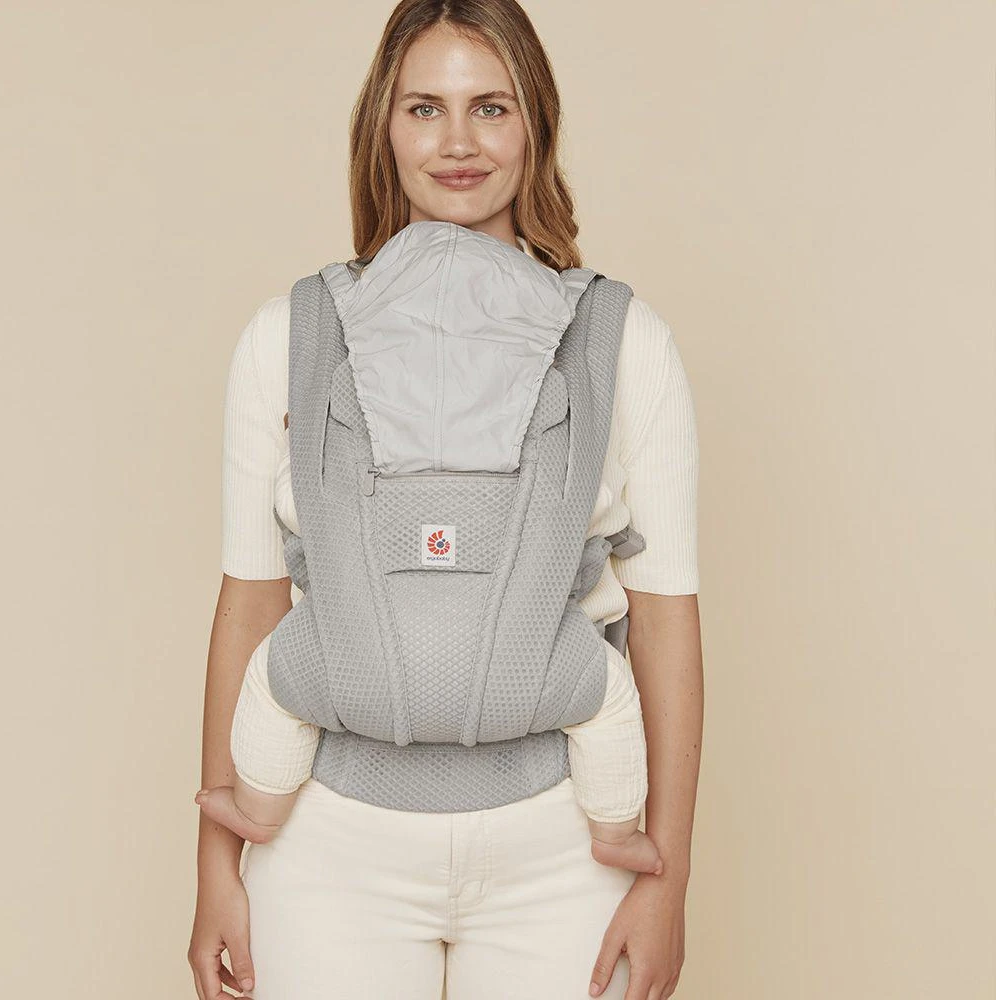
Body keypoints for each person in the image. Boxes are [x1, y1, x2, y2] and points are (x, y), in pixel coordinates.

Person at [188, 3, 704, 999]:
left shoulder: (623, 342)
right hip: (326, 851)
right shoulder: (288, 338)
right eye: (425, 107)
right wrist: (216, 867)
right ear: (383, 126)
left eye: (490, 108)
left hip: (565, 854)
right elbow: (248, 608)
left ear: (535, 124)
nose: (458, 142)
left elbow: (666, 623)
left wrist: (667, 881)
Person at [194, 223, 663, 880]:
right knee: (609, 700)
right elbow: (601, 516)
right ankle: (615, 834)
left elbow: (286, 535)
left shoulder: (322, 366)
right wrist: (612, 534)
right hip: (529, 680)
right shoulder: (575, 378)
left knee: (272, 683)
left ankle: (259, 808)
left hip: (350, 677)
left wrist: (302, 461)